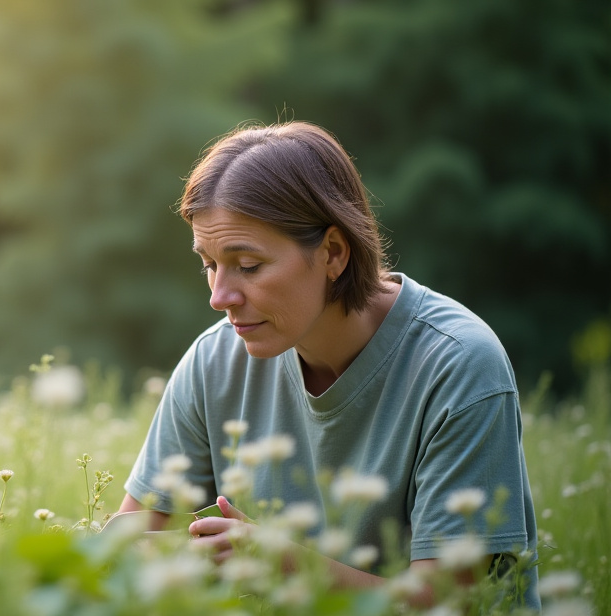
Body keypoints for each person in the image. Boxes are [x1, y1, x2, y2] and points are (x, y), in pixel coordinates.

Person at [119, 121, 540, 609]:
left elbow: (449, 604)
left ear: (333, 253)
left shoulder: (459, 365)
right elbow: (132, 541)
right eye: (209, 264)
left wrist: (274, 558)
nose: (219, 297)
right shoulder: (214, 361)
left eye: (248, 266)